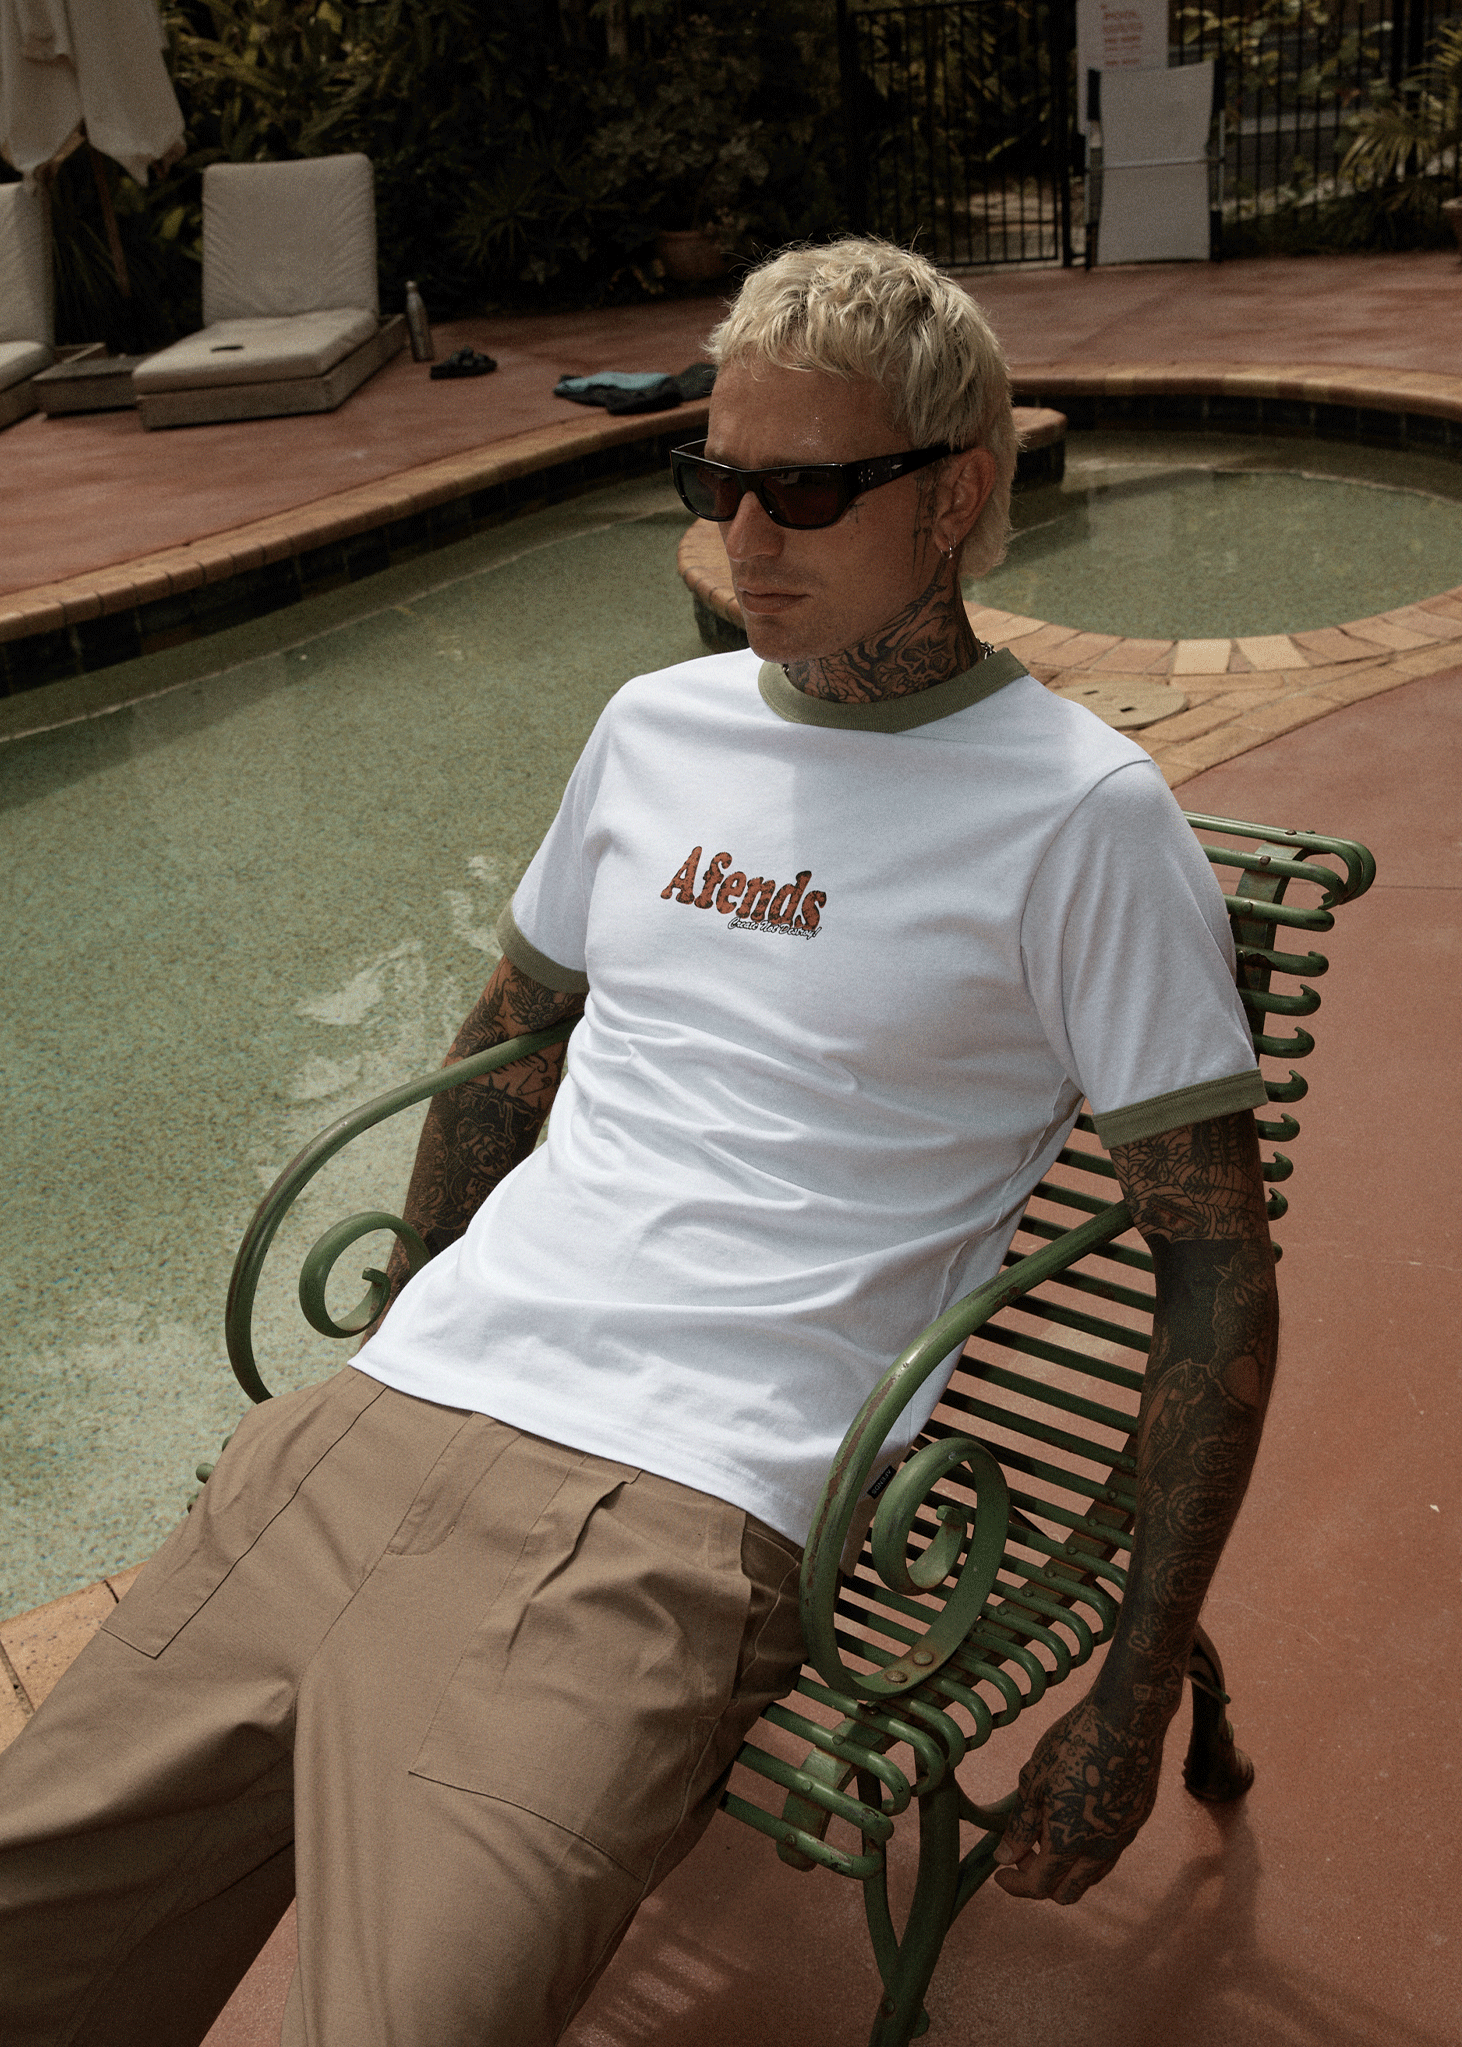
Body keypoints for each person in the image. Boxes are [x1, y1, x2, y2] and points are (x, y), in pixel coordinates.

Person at [0, 239, 1278, 2047]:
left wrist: (1131, 1694)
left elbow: (1214, 1267)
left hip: (669, 1516)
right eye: (714, 479)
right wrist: (397, 1331)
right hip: (376, 1428)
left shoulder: (1079, 817)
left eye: (806, 489)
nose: (746, 537)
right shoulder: (651, 726)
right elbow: (504, 1044)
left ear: (955, 495)